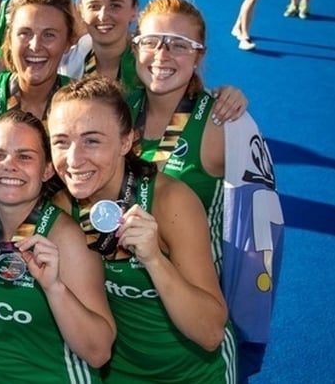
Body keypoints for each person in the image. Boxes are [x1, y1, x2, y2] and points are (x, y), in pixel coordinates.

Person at [128, 0, 283, 382]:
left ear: (199, 56)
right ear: (136, 46)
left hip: (193, 337)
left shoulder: (223, 123)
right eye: (152, 41)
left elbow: (262, 233)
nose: (163, 54)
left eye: (180, 45)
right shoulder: (118, 111)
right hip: (127, 328)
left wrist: (249, 317)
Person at [47, 75, 233, 382]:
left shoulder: (170, 202)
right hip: (117, 373)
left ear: (126, 141)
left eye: (92, 140)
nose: (74, 159)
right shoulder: (62, 206)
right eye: (61, 141)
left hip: (194, 374)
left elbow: (211, 332)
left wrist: (155, 261)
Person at [0, 110, 115, 383]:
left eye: (25, 156)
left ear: (47, 170)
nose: (9, 165)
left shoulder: (66, 238)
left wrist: (54, 288)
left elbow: (99, 352)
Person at [68, 0, 247, 125]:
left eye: (115, 5)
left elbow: (185, 88)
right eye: (94, 6)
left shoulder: (151, 62)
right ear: (80, 12)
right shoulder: (69, 58)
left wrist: (229, 96)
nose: (103, 15)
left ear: (134, 10)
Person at [0, 0, 75, 126]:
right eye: (25, 33)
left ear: (68, 42)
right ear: (9, 39)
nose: (35, 46)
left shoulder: (83, 104)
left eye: (49, 35)